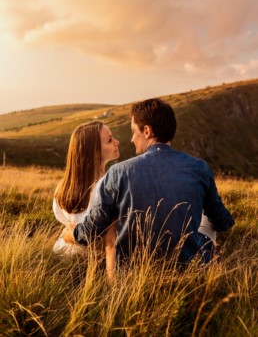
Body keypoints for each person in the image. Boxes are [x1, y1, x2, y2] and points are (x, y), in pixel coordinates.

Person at [63, 98, 234, 265]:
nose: (131, 139)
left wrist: (70, 233)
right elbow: (222, 221)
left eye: (133, 131)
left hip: (134, 269)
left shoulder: (117, 172)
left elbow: (91, 231)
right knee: (207, 215)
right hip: (190, 264)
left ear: (146, 131)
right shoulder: (199, 167)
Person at [52, 121, 119, 279]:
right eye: (109, 140)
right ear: (94, 152)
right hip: (93, 264)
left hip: (62, 254)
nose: (117, 142)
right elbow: (110, 238)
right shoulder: (107, 185)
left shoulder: (62, 186)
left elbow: (61, 219)